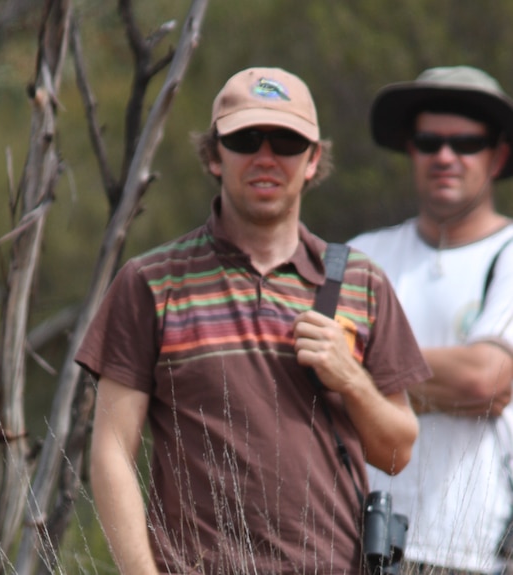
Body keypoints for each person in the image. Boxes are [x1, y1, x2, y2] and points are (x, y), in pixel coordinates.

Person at [76, 66, 429, 574]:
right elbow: (110, 450)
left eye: (286, 141)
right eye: (245, 138)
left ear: (312, 160)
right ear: (215, 156)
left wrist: (350, 378)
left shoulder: (362, 282)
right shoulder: (150, 281)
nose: (266, 157)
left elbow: (396, 454)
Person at [351, 65, 513, 574]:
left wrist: (358, 374)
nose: (446, 156)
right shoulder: (359, 256)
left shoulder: (509, 252)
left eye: (466, 142)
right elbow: (315, 382)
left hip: (474, 550)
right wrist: (437, 386)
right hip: (356, 542)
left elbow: (484, 380)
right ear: (411, 150)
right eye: (429, 140)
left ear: (498, 156)